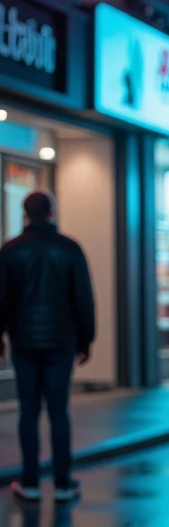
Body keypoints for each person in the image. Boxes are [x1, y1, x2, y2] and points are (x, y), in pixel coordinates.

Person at [0, 190, 94, 503]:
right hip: (61, 342)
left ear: (25, 214)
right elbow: (83, 297)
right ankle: (63, 483)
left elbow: (1, 299)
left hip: (24, 342)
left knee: (28, 412)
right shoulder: (69, 249)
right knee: (58, 411)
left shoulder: (11, 251)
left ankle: (30, 482)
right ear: (51, 213)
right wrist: (86, 339)